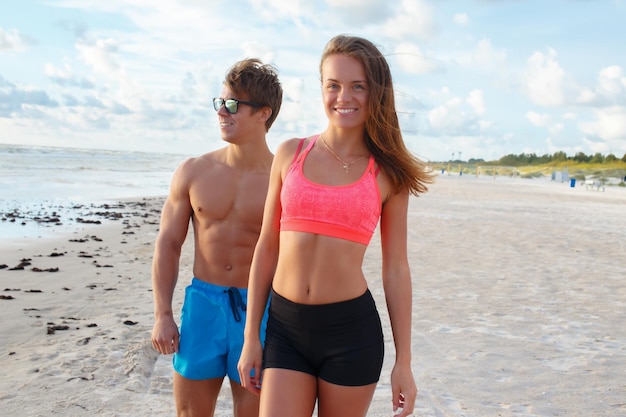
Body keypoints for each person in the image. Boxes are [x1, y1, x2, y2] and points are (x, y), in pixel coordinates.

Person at [238, 35, 432, 417]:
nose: (344, 96)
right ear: (322, 89)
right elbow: (267, 248)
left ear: (376, 92)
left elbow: (395, 269)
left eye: (357, 86)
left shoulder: (388, 174)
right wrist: (250, 337)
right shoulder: (290, 154)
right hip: (284, 326)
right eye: (334, 85)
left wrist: (403, 362)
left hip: (350, 334)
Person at [151, 58, 283, 417]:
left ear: (263, 114)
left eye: (233, 105)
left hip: (261, 311)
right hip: (202, 306)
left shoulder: (282, 180)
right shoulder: (194, 171)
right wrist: (163, 313)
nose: (222, 112)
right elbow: (168, 243)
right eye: (220, 103)